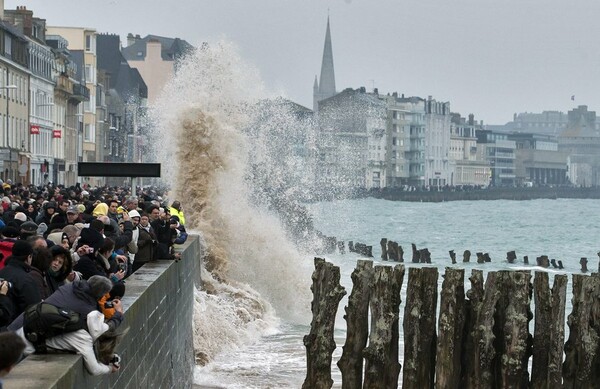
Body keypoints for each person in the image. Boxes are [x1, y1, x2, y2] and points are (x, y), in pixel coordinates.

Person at [10, 276, 124, 376]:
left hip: (22, 327)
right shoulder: (84, 339)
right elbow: (94, 369)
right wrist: (109, 369)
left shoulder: (71, 288)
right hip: (22, 346)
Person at [0, 241, 40, 324]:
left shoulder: (2, 272)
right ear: (29, 257)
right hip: (15, 328)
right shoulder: (27, 280)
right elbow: (33, 309)